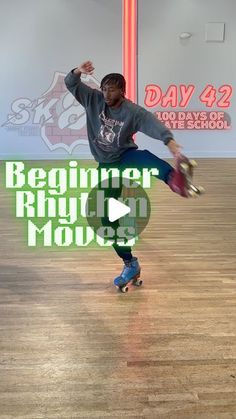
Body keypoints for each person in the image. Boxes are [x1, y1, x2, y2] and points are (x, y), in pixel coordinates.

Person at [64, 60, 195, 288]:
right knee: (104, 218)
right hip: (106, 164)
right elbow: (70, 83)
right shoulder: (93, 100)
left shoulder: (131, 111)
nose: (106, 93)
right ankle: (130, 262)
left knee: (144, 158)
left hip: (125, 155)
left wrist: (170, 143)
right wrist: (78, 71)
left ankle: (175, 180)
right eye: (104, 88)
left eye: (112, 89)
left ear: (122, 91)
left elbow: (152, 123)